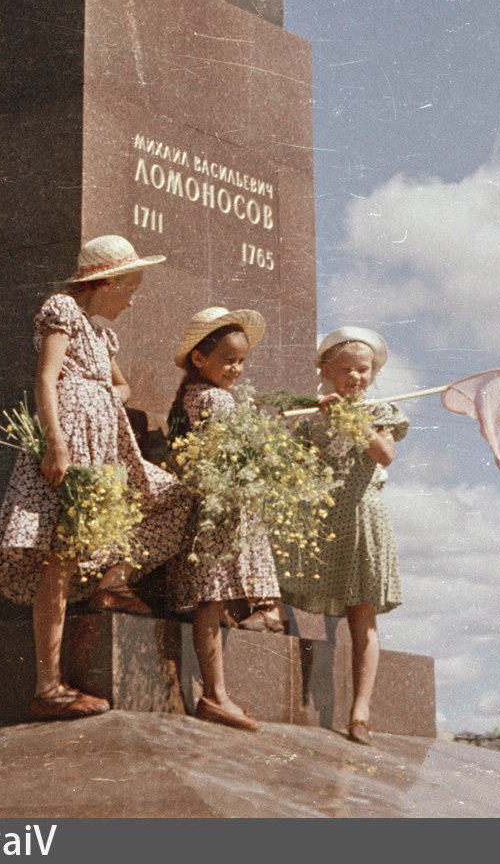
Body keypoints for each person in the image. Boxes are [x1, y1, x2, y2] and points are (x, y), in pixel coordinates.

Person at [0, 235, 196, 720]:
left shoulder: (100, 335)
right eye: (130, 287)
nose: (133, 298)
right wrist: (55, 440)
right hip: (72, 442)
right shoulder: (61, 309)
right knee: (58, 557)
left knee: (172, 497)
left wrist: (104, 398)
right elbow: (45, 377)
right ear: (106, 282)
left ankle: (114, 581)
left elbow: (120, 384)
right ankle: (48, 685)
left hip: (105, 444)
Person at [276, 326, 408, 744]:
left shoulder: (380, 411)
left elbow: (384, 453)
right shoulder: (312, 419)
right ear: (327, 370)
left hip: (363, 517)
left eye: (363, 370)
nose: (355, 377)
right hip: (324, 517)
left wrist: (351, 421)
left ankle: (360, 712)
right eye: (346, 369)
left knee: (362, 616)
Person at [165, 306, 283, 732]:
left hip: (209, 506)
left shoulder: (188, 397)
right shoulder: (214, 398)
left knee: (213, 600)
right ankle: (215, 695)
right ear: (200, 359)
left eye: (242, 361)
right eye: (229, 360)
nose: (237, 369)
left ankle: (217, 690)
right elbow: (235, 450)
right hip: (218, 510)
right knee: (211, 600)